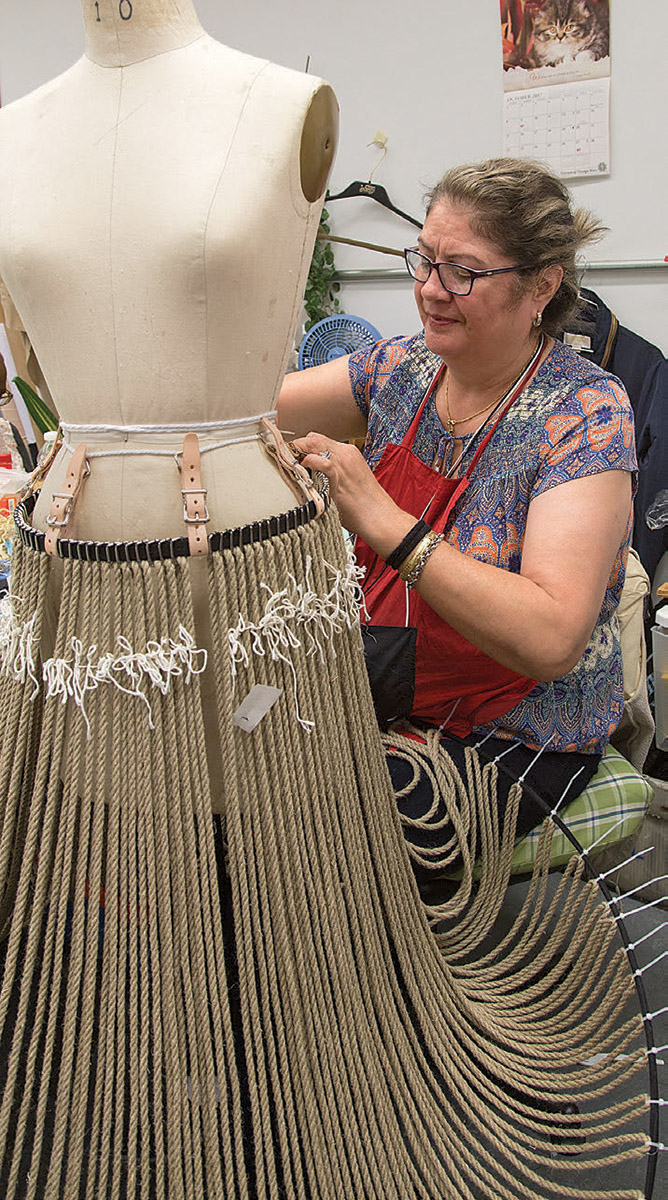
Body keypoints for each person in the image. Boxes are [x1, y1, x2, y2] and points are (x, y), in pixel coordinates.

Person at [279, 157, 637, 878]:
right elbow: (248, 404)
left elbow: (549, 637)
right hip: (390, 681)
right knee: (240, 780)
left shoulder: (585, 416)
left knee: (318, 844)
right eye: (425, 261)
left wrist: (387, 522)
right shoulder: (401, 370)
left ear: (540, 286)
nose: (430, 292)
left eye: (462, 272)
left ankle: (373, 987)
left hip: (519, 731)